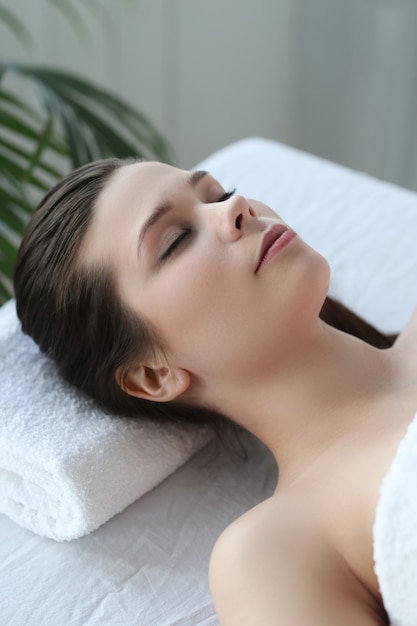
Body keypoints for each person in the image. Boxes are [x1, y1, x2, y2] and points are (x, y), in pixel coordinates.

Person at [13, 157, 416, 625]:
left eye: (219, 194)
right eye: (176, 240)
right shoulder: (276, 552)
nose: (237, 207)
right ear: (153, 376)